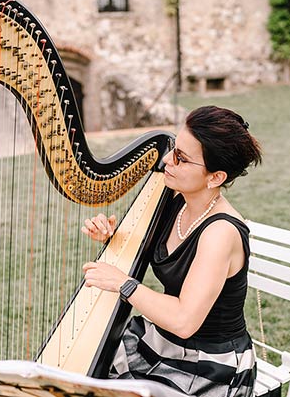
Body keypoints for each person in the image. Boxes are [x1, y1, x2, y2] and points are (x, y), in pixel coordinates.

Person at [82, 105, 262, 397]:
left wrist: (123, 283)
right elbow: (148, 248)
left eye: (181, 158)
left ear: (215, 177)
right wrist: (112, 237)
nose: (167, 160)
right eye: (174, 149)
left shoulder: (220, 233)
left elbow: (184, 321)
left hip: (209, 366)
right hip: (163, 343)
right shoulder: (177, 202)